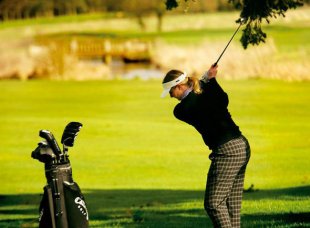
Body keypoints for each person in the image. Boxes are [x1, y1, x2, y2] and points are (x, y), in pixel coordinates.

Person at [161, 65, 251, 228]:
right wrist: (208, 81)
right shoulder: (182, 109)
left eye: (171, 92)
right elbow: (214, 100)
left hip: (228, 151)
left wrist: (210, 80)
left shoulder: (186, 106)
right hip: (241, 146)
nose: (170, 96)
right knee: (232, 204)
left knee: (213, 203)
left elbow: (220, 100)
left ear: (180, 86)